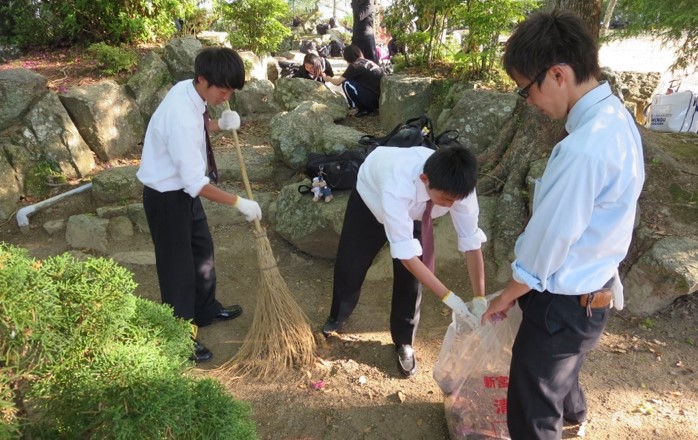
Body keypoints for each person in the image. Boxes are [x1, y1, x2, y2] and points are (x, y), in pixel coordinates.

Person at [480, 10, 645, 440]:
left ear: (557, 74)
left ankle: (561, 421)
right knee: (561, 369)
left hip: (563, 302)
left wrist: (507, 295)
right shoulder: (616, 118)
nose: (529, 102)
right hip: (593, 292)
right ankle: (575, 416)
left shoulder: (582, 150)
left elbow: (550, 241)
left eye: (526, 90)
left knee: (532, 405)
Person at [137, 47, 262, 363]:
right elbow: (196, 183)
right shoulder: (180, 116)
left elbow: (200, 126)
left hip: (183, 192)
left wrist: (220, 125)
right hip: (166, 196)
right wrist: (239, 202)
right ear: (203, 80)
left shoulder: (189, 91)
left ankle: (205, 309)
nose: (227, 94)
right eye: (223, 89)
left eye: (231, 89)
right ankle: (180, 333)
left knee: (202, 250)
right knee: (177, 266)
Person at [322, 144, 488, 378]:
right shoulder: (396, 185)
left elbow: (471, 243)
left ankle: (404, 341)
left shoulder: (460, 190)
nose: (451, 206)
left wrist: (479, 297)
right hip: (372, 203)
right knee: (352, 264)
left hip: (417, 212)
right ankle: (337, 316)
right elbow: (406, 256)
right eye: (446, 199)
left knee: (410, 281)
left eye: (455, 201)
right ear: (424, 179)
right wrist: (451, 299)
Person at [322, 44, 385, 116]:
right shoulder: (367, 62)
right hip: (380, 99)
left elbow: (337, 82)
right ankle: (365, 107)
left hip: (371, 101)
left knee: (346, 83)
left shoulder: (355, 65)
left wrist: (328, 78)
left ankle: (356, 107)